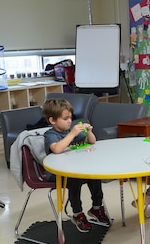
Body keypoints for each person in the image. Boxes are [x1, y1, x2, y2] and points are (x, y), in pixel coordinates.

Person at [42, 98, 109, 233]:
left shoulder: (69, 132)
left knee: (93, 175)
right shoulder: (51, 134)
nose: (69, 121)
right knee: (74, 180)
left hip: (75, 168)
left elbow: (92, 142)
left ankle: (96, 208)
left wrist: (89, 131)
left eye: (70, 118)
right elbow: (57, 149)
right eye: (65, 118)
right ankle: (77, 213)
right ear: (52, 120)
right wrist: (73, 133)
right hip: (57, 174)